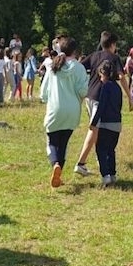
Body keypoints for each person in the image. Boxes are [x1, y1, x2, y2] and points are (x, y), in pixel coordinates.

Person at [75, 32, 127, 176]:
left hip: (89, 96)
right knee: (95, 129)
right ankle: (81, 163)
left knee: (98, 129)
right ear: (113, 44)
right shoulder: (114, 58)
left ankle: (99, 159)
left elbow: (79, 67)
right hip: (100, 96)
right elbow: (122, 77)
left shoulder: (93, 55)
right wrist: (129, 96)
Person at [40, 37, 87, 189]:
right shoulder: (79, 67)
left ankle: (56, 165)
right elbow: (83, 91)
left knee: (52, 141)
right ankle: (58, 175)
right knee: (64, 143)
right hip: (72, 110)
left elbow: (44, 94)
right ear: (75, 51)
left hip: (55, 108)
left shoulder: (53, 66)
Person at [89, 61, 123, 187]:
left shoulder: (105, 87)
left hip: (105, 123)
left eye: (100, 76)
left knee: (101, 149)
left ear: (104, 73)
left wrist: (93, 122)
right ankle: (113, 174)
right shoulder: (117, 87)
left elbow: (101, 105)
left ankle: (105, 175)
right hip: (117, 123)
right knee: (111, 150)